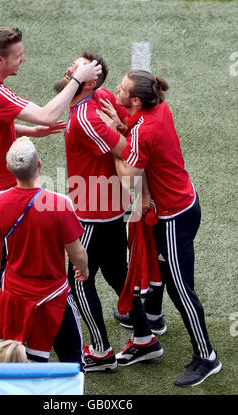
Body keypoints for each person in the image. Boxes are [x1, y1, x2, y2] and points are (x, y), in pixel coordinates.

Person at [0, 26, 101, 358]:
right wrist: (77, 80)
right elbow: (46, 112)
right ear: (0, 59)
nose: (23, 59)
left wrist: (29, 132)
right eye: (18, 56)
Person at [98, 69, 222, 387]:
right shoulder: (157, 109)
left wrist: (112, 140)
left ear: (136, 100)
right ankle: (152, 316)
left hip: (172, 217)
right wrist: (121, 121)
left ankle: (207, 357)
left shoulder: (144, 131)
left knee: (181, 289)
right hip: (180, 204)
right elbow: (134, 131)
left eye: (122, 90)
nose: (116, 91)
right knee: (159, 266)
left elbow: (129, 179)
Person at [53, 50, 163, 372]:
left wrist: (123, 135)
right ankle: (144, 338)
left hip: (92, 214)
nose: (71, 67)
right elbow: (131, 124)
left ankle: (100, 352)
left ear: (89, 80)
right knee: (117, 273)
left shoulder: (86, 116)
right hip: (110, 208)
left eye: (78, 67)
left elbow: (127, 150)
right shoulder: (97, 98)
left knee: (78, 282)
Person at [0, 137, 88, 368]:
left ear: (9, 169)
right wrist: (84, 270)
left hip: (14, 296)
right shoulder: (60, 204)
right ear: (39, 164)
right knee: (73, 362)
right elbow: (77, 253)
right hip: (53, 297)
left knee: (10, 362)